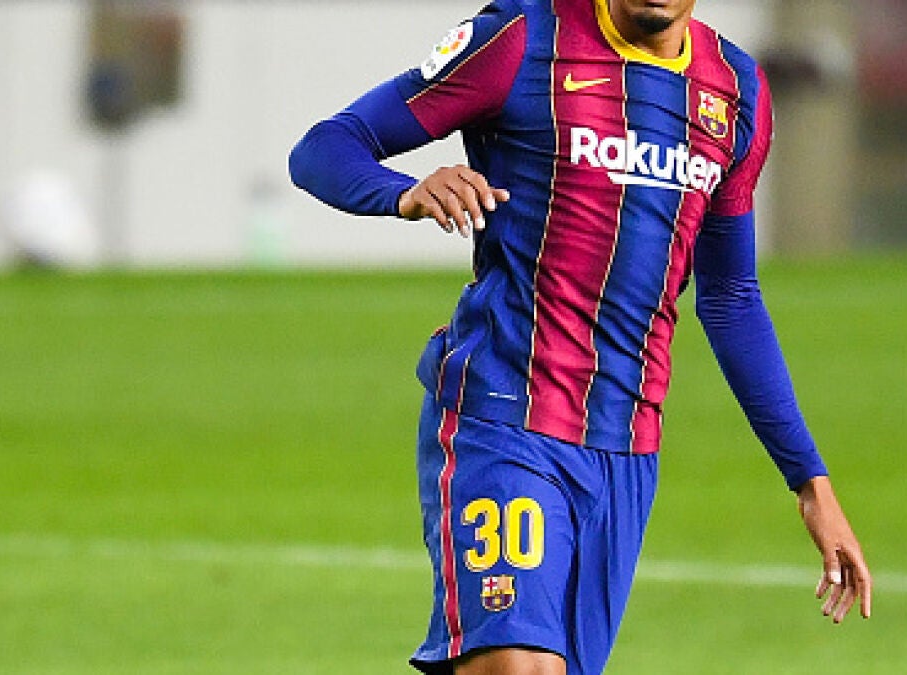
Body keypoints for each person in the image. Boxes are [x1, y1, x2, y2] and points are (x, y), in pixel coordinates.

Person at [289, 0, 871, 672]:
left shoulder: (736, 93)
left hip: (626, 450)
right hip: (504, 415)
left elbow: (731, 297)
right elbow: (326, 147)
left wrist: (810, 480)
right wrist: (403, 191)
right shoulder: (522, 39)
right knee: (522, 665)